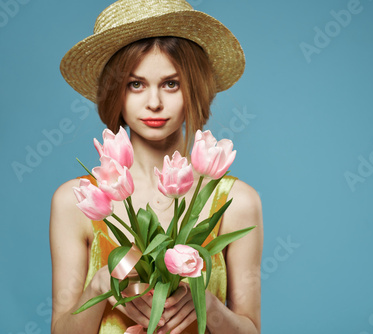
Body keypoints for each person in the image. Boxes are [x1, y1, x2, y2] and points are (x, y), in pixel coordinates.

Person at [49, 1, 263, 333]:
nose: (154, 103)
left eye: (171, 84)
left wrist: (207, 305)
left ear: (194, 90)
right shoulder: (79, 200)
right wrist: (102, 285)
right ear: (116, 93)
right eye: (136, 84)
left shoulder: (237, 202)